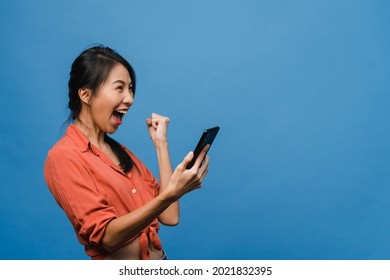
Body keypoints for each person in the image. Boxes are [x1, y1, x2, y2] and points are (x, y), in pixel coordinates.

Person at [44, 45, 210, 260]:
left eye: (130, 88)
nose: (130, 98)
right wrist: (172, 193)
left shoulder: (121, 153)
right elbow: (108, 238)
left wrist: (161, 144)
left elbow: (169, 216)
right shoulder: (64, 157)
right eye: (119, 88)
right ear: (85, 94)